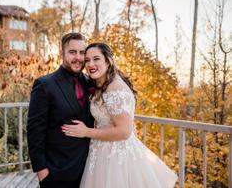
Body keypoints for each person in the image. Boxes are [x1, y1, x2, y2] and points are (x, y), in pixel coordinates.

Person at [61, 42, 178, 188]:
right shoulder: (101, 84)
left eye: (96, 59)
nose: (91, 64)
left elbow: (124, 132)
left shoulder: (115, 88)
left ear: (108, 61)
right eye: (87, 60)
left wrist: (86, 132)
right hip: (101, 152)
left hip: (116, 158)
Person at [27, 33, 94, 188]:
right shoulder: (45, 85)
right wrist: (42, 172)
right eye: (72, 52)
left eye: (82, 52)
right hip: (57, 172)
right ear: (61, 54)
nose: (78, 57)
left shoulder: (91, 82)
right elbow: (34, 130)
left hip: (89, 169)